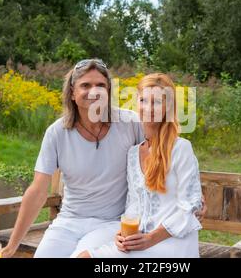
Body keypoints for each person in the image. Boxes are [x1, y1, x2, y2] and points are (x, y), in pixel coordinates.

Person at [77, 73, 203, 258]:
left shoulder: (181, 148)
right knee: (81, 254)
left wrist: (151, 238)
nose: (149, 108)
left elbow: (190, 207)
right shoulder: (133, 153)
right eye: (144, 100)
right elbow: (134, 205)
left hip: (173, 243)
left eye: (157, 102)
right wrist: (123, 233)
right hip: (141, 239)